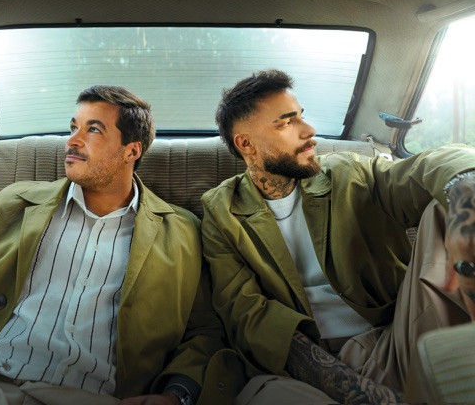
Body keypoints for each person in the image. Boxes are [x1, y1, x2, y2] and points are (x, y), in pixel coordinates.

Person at [0, 86, 231, 405]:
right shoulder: (13, 205)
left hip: (94, 396)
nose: (72, 141)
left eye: (93, 129)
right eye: (73, 127)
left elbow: (204, 333)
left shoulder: (181, 232)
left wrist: (177, 394)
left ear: (131, 151)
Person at [201, 69, 475, 404]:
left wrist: (466, 187)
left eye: (301, 116)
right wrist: (367, 396)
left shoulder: (348, 172)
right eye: (287, 123)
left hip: (397, 338)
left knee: (450, 203)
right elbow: (248, 317)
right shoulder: (221, 212)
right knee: (263, 396)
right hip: (311, 372)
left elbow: (421, 169)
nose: (309, 130)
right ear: (246, 144)